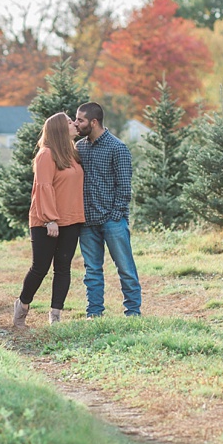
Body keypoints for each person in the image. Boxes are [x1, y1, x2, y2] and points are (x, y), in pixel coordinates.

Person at [13, 112, 85, 328]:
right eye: (70, 122)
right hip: (46, 221)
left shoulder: (72, 153)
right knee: (40, 267)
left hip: (72, 220)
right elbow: (43, 188)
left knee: (63, 268)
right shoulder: (46, 154)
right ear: (59, 129)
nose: (74, 124)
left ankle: (55, 315)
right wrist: (50, 220)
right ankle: (22, 306)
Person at [74, 102, 142, 318]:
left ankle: (133, 313)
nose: (76, 123)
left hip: (112, 222)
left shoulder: (117, 148)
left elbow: (124, 188)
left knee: (125, 269)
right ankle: (94, 314)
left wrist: (114, 216)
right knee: (92, 272)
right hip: (87, 222)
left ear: (93, 122)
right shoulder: (79, 147)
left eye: (80, 120)